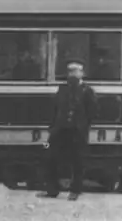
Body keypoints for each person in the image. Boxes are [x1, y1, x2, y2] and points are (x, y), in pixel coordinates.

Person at [37, 59, 99, 201]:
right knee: (50, 158)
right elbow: (55, 108)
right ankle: (52, 189)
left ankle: (75, 191)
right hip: (60, 130)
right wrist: (53, 126)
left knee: (77, 161)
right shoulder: (63, 89)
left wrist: (83, 125)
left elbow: (93, 112)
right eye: (71, 72)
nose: (73, 75)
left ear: (82, 74)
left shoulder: (87, 91)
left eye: (76, 72)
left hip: (77, 132)